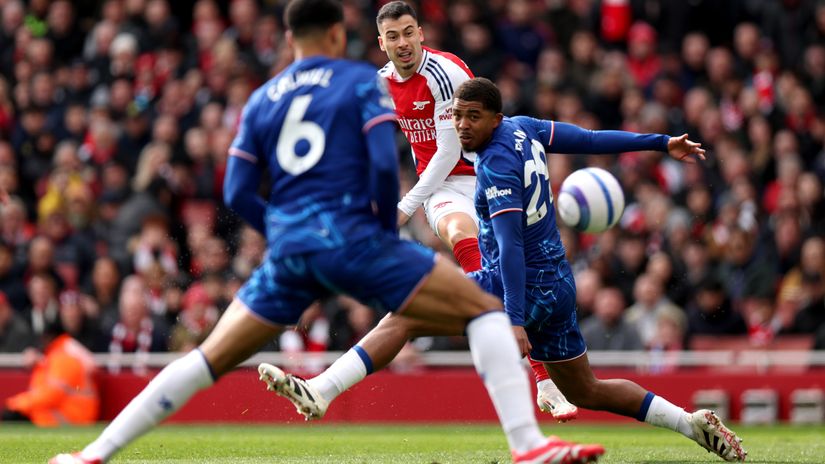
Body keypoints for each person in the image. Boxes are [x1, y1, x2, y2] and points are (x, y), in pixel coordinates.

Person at [50, 3, 603, 464]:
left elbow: (238, 189)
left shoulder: (263, 97)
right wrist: (384, 220)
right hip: (354, 237)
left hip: (291, 246)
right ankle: (529, 444)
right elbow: (383, 166)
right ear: (340, 34)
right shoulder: (362, 81)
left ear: (289, 38)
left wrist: (280, 232)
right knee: (483, 308)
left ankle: (94, 454)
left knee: (207, 357)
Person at [266, 78, 747, 462]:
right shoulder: (527, 128)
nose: (463, 124)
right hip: (558, 282)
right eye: (456, 116)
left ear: (494, 117)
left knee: (405, 313)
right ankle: (691, 423)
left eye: (473, 117)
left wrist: (514, 319)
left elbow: (511, 246)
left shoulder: (495, 165)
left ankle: (322, 390)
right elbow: (591, 138)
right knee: (587, 389)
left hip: (518, 283)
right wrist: (661, 143)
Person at [375, 0, 575, 421]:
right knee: (463, 238)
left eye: (408, 32)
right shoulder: (380, 85)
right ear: (382, 43)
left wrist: (404, 207)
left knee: (503, 267)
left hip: (483, 175)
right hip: (441, 187)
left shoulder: (445, 73)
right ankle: (539, 376)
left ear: (421, 33)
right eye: (393, 36)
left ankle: (533, 370)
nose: (403, 42)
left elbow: (450, 150)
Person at [2, 317, 99, 426]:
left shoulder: (62, 357)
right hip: (69, 413)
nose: (41, 342)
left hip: (72, 417)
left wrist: (17, 404)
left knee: (16, 415)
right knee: (18, 413)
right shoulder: (57, 355)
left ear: (49, 337)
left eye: (43, 338)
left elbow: (52, 394)